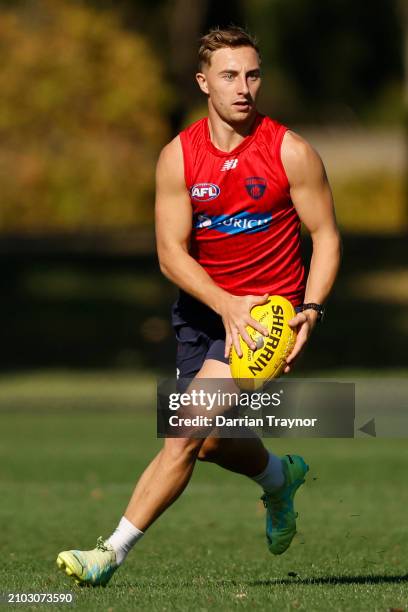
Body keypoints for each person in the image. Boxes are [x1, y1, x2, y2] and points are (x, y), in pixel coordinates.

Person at [56, 26, 341, 586]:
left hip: (266, 316)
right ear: (203, 81)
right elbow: (170, 254)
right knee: (210, 441)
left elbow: (326, 235)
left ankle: (108, 554)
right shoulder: (178, 158)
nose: (244, 88)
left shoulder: (291, 151)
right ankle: (281, 479)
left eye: (253, 74)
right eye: (230, 75)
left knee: (184, 431)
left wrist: (311, 308)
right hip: (202, 313)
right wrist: (223, 304)